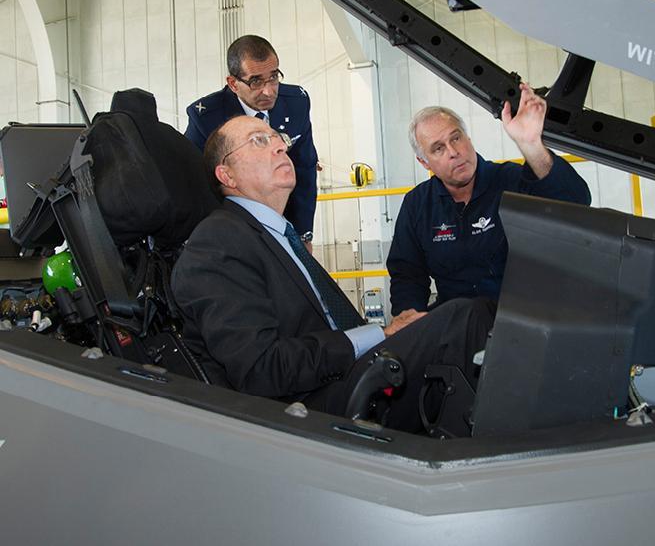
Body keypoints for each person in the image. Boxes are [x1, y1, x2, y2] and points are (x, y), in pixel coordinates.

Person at [172, 114, 494, 433]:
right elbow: (262, 368)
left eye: (278, 139)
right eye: (258, 140)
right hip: (312, 405)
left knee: (471, 318)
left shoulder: (281, 237)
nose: (280, 148)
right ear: (226, 175)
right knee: (465, 319)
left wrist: (383, 334)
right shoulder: (217, 241)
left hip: (352, 374)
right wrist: (378, 335)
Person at [386, 82, 591, 317]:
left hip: (522, 321)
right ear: (424, 162)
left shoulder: (510, 182)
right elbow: (407, 274)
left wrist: (531, 145)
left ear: (468, 139)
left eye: (456, 138)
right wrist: (409, 317)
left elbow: (576, 202)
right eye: (438, 148)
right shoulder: (417, 205)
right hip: (457, 327)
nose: (454, 152)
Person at [184, 35, 318, 241]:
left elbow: (305, 171)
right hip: (234, 229)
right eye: (255, 81)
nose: (268, 90)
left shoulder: (296, 103)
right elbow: (199, 188)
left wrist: (302, 234)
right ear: (233, 83)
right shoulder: (207, 120)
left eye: (274, 77)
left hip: (286, 225)